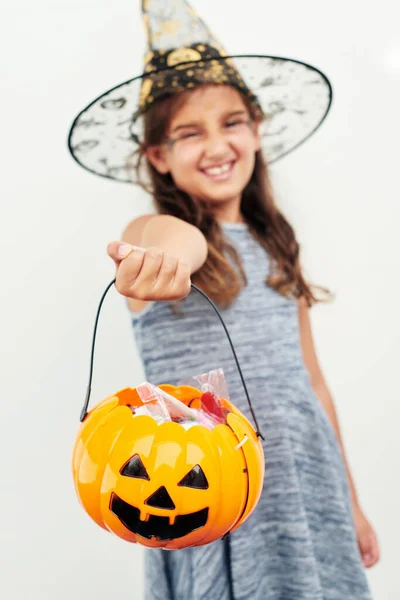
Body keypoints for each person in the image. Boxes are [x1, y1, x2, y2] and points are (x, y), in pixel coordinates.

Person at [68, 1, 379, 598]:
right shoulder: (153, 236)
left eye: (231, 122)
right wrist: (167, 263)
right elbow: (172, 240)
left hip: (304, 484)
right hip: (202, 487)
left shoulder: (277, 244)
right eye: (189, 132)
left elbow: (311, 382)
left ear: (257, 130)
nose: (216, 144)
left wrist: (352, 501)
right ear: (158, 156)